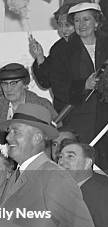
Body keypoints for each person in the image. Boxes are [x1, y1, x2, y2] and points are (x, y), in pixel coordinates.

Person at [0, 103, 96, 227]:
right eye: (9, 131)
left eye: (16, 132)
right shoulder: (17, 175)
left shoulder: (54, 177)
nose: (8, 138)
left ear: (37, 137)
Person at [51, 2, 108, 168]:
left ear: (97, 22)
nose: (81, 25)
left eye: (86, 19)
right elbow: (58, 87)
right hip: (79, 120)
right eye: (76, 20)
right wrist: (84, 85)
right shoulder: (61, 50)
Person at [59, 142, 108, 227]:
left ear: (87, 163)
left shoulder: (103, 191)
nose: (62, 162)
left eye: (70, 156)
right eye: (60, 157)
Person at [29, 0, 85, 89]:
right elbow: (46, 82)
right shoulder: (58, 48)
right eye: (60, 25)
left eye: (67, 25)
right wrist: (39, 56)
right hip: (63, 102)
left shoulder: (91, 44)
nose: (63, 30)